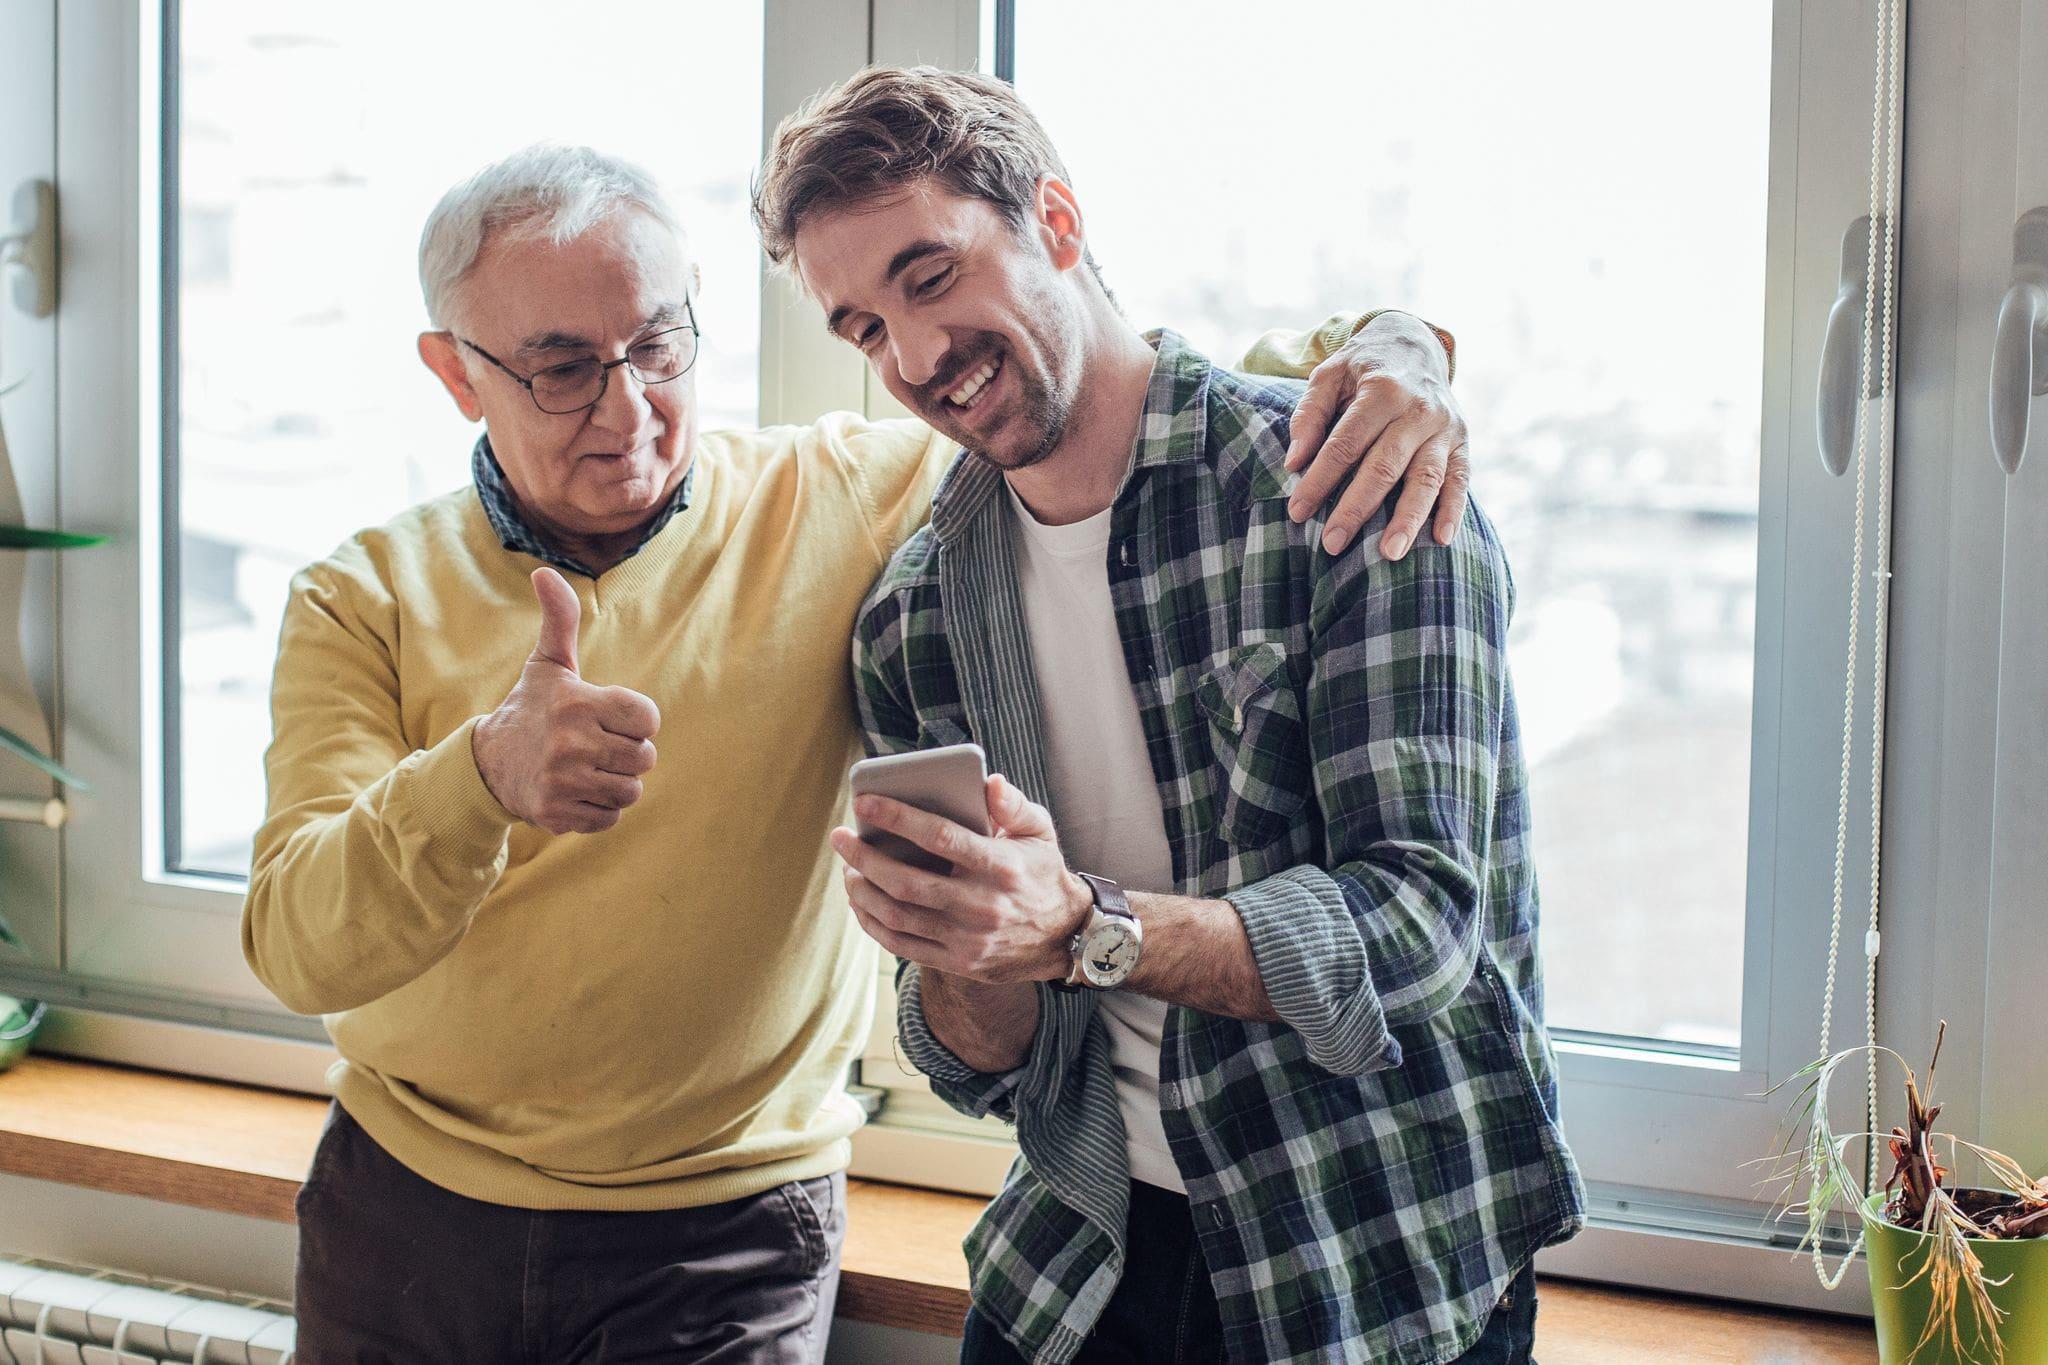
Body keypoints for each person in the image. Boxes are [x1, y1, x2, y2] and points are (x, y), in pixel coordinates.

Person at [243, 140, 1475, 1363]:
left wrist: (1389, 342)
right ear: (456, 375)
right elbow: (299, 945)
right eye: (562, 371)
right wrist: (480, 781)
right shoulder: (363, 598)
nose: (629, 411)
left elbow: (1110, 387)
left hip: (719, 1228)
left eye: (658, 348)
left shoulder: (831, 496)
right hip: (405, 1204)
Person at [754, 66, 1585, 1364]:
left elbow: (1419, 930)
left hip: (1369, 1264)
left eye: (931, 276)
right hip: (1081, 1264)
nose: (915, 359)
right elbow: (980, 1059)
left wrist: (1087, 927)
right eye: (862, 327)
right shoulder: (917, 614)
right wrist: (973, 948)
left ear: (1059, 224)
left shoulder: (1343, 486)